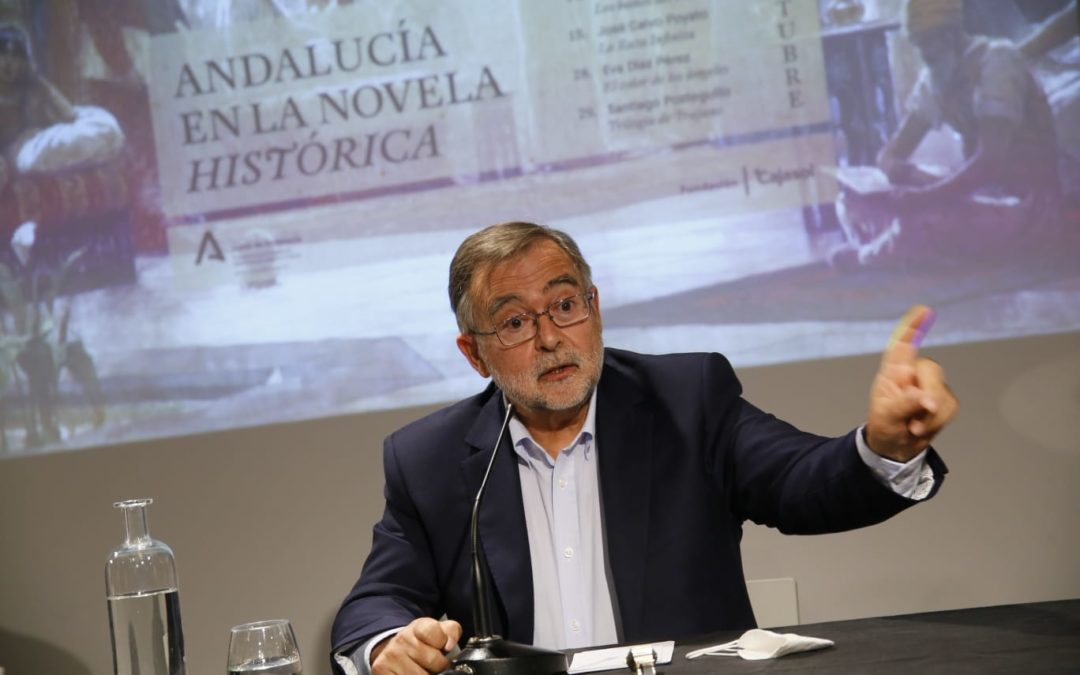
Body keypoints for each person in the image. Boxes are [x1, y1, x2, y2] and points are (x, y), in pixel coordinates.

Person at [331, 221, 959, 675]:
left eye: (565, 304)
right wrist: (389, 644)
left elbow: (804, 482)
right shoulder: (430, 459)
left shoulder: (687, 400)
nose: (551, 337)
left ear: (595, 309)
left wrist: (884, 444)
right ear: (475, 353)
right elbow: (373, 606)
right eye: (517, 321)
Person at [830, 0, 1064, 270]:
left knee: (924, 220)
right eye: (919, 44)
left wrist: (927, 196)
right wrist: (896, 169)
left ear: (952, 33)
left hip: (1025, 205)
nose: (925, 53)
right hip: (979, 194)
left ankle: (869, 258)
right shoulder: (936, 77)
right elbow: (892, 150)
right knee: (850, 201)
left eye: (930, 42)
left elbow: (990, 162)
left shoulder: (998, 61)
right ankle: (888, 248)